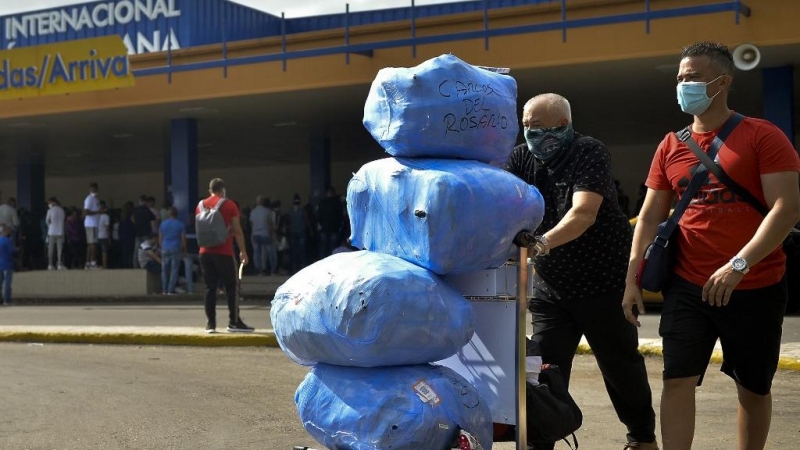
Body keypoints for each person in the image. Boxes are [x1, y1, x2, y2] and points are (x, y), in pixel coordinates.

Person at [623, 42, 800, 450]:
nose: (684, 84)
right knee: (677, 378)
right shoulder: (671, 144)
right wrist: (633, 279)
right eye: (681, 77)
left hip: (755, 285)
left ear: (723, 82)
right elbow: (649, 217)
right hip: (687, 286)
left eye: (694, 77)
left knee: (752, 388)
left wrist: (739, 264)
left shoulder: (762, 135)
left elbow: (786, 208)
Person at [506, 93, 658, 450]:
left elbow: (584, 214)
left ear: (564, 125)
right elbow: (502, 204)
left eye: (539, 127)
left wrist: (538, 245)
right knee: (542, 370)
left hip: (603, 282)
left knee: (620, 366)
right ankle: (539, 441)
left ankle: (642, 438)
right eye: (526, 126)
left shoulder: (588, 151)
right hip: (550, 287)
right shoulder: (520, 157)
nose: (531, 134)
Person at [196, 178, 253, 333]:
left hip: (204, 252)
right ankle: (234, 322)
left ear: (210, 190)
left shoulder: (200, 205)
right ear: (223, 190)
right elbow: (237, 230)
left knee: (210, 288)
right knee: (232, 287)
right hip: (224, 252)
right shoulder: (229, 205)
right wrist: (243, 251)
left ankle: (210, 324)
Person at [159, 207, 186, 295]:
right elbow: (183, 239)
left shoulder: (163, 224)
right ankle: (170, 290)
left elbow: (160, 238)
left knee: (164, 270)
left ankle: (164, 290)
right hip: (175, 247)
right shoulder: (180, 224)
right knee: (174, 270)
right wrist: (183, 250)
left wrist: (161, 247)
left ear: (169, 214)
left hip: (165, 247)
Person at [249, 196, 275, 276]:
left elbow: (251, 224)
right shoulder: (267, 211)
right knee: (270, 252)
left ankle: (259, 270)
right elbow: (270, 224)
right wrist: (272, 234)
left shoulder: (253, 212)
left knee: (257, 253)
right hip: (265, 233)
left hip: (255, 234)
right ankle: (272, 270)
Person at [131, 196, 156, 268]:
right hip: (146, 233)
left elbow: (132, 219)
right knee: (148, 250)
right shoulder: (147, 210)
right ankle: (146, 265)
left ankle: (135, 267)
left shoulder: (135, 210)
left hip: (138, 233)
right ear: (145, 202)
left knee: (136, 251)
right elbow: (153, 219)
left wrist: (136, 224)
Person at [82, 182, 101, 270]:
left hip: (95, 224)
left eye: (95, 189)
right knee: (92, 244)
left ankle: (88, 263)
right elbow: (86, 211)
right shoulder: (89, 199)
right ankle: (93, 262)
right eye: (93, 189)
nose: (94, 191)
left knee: (91, 244)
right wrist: (97, 212)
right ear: (90, 190)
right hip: (91, 224)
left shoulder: (96, 199)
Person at [45, 197, 66, 270]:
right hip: (60, 232)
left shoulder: (50, 211)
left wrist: (50, 225)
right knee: (59, 249)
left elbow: (47, 221)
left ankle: (50, 264)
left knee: (51, 249)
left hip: (51, 232)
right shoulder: (61, 210)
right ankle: (59, 263)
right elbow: (63, 221)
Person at [0, 225, 14, 305]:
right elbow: (10, 251)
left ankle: (0, 299)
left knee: (0, 282)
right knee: (7, 282)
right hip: (7, 263)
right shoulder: (7, 240)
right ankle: (7, 299)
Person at [97, 201, 111, 269]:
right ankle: (104, 266)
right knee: (104, 253)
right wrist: (109, 238)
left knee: (97, 253)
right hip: (104, 236)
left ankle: (97, 265)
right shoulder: (106, 216)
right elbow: (107, 228)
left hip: (96, 237)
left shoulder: (95, 216)